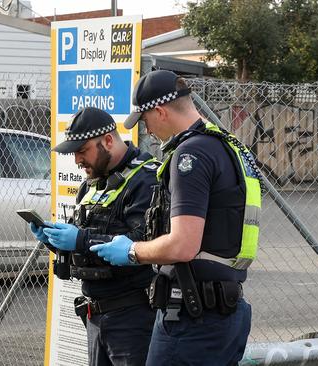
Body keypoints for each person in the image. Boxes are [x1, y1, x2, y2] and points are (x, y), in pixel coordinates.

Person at [90, 70, 262, 365]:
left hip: (192, 319)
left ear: (160, 111)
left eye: (145, 120)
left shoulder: (190, 155)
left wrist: (131, 251)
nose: (147, 129)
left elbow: (183, 245)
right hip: (226, 314)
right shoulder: (228, 146)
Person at [31, 107, 159, 365]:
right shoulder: (91, 184)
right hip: (95, 315)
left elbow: (142, 243)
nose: (77, 160)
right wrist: (54, 240)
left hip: (133, 317)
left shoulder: (145, 179)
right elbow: (83, 243)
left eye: (82, 150)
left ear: (108, 141)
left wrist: (82, 239)